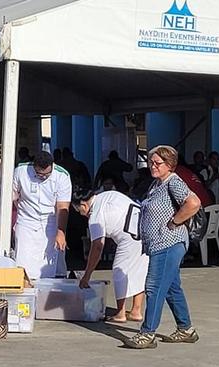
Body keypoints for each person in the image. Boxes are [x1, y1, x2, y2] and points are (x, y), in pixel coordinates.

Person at [125, 145, 201, 349]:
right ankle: (186, 329)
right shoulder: (157, 184)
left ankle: (147, 333)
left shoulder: (173, 182)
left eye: (157, 163)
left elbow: (193, 203)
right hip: (159, 243)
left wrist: (175, 222)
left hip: (169, 242)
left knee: (154, 286)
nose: (152, 166)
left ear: (170, 164)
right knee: (171, 288)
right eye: (151, 162)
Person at [73, 189, 146, 323]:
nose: (81, 214)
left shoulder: (95, 215)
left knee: (119, 271)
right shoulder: (107, 195)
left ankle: (120, 313)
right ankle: (136, 310)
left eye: (79, 211)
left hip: (129, 237)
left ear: (83, 205)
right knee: (139, 271)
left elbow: (97, 247)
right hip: (144, 231)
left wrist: (87, 275)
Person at [12, 151, 72, 279]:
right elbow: (12, 196)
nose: (43, 177)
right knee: (23, 261)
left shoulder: (62, 175)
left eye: (47, 174)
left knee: (51, 263)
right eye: (39, 174)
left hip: (50, 221)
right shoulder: (21, 171)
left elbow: (63, 207)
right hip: (26, 220)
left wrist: (61, 232)